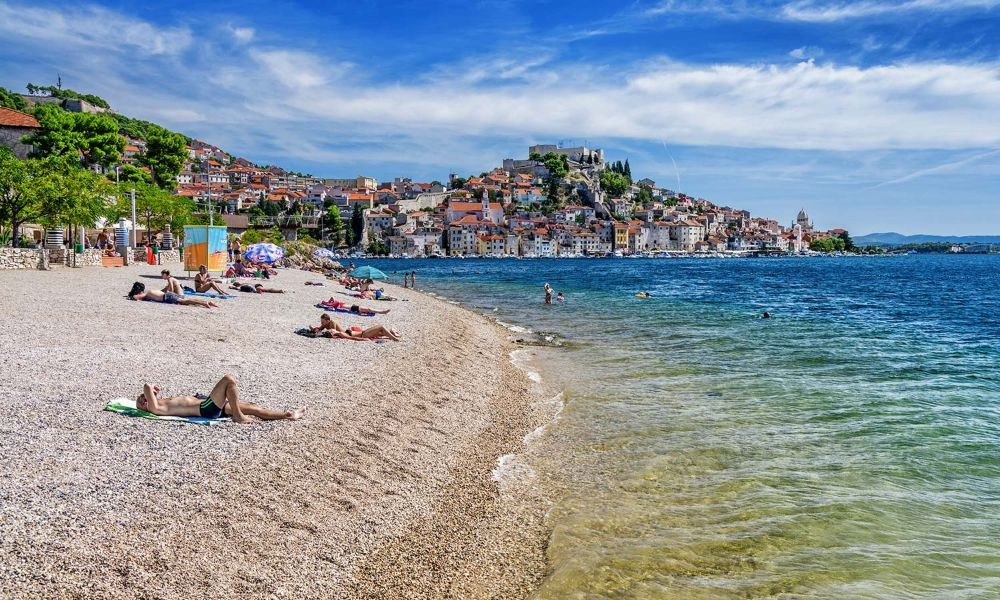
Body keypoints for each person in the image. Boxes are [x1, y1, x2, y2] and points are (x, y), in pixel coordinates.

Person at [136, 374, 305, 424]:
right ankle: (238, 417)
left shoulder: (160, 403)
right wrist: (149, 391)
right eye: (141, 401)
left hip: (209, 405)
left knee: (253, 408)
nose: (143, 399)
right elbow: (146, 385)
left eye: (142, 399)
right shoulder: (155, 409)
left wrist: (152, 393)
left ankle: (288, 415)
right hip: (206, 408)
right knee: (228, 380)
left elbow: (148, 390)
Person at [310, 313, 402, 341]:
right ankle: (393, 337)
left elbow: (331, 330)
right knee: (380, 328)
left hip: (362, 334)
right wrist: (313, 329)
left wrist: (315, 330)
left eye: (322, 321)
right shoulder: (327, 325)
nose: (321, 323)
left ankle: (392, 333)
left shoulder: (332, 323)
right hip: (362, 334)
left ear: (327, 321)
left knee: (380, 332)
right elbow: (320, 330)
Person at [127, 282, 218, 308]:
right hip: (168, 294)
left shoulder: (146, 293)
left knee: (185, 302)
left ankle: (205, 303)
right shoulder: (151, 290)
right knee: (186, 301)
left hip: (167, 297)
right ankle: (208, 302)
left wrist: (130, 296)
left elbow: (136, 298)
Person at [321, 297, 390, 315]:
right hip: (353, 308)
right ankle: (382, 312)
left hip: (353, 307)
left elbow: (332, 298)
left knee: (368, 309)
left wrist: (329, 301)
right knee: (369, 309)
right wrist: (329, 302)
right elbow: (331, 300)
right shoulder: (335, 304)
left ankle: (382, 311)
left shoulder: (336, 304)